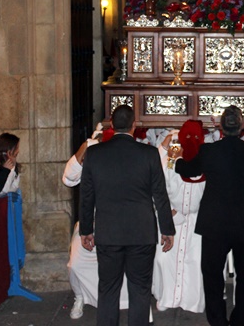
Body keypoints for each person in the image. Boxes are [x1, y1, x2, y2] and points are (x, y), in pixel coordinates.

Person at [173, 106, 244, 326]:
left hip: (215, 224)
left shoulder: (208, 151)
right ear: (242, 127)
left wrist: (176, 160)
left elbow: (189, 170)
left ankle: (218, 322)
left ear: (220, 127)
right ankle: (240, 321)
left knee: (212, 278)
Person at [80, 105, 175, 326]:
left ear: (111, 125)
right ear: (134, 125)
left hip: (108, 232)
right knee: (140, 290)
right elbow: (160, 195)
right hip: (141, 233)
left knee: (108, 290)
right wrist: (167, 230)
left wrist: (86, 229)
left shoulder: (94, 154)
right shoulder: (149, 154)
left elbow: (86, 197)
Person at [63, 127, 130, 320]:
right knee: (75, 264)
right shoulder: (92, 157)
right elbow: (68, 178)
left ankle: (118, 302)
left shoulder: (122, 158)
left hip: (115, 223)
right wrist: (86, 145)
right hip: (88, 224)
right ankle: (80, 296)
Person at [152, 121, 207, 314]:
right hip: (172, 220)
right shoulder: (170, 160)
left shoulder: (206, 162)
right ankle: (167, 297)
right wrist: (164, 146)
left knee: (195, 261)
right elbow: (154, 181)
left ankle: (192, 301)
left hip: (196, 221)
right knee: (164, 260)